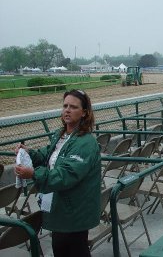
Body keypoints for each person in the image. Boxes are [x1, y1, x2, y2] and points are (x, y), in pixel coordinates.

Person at [15, 89, 101, 257]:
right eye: (65, 106)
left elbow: (65, 176)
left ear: (84, 113)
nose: (67, 110)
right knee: (60, 248)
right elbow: (47, 155)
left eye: (73, 107)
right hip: (60, 209)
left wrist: (33, 174)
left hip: (74, 213)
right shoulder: (61, 135)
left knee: (74, 250)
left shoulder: (86, 143)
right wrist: (29, 152)